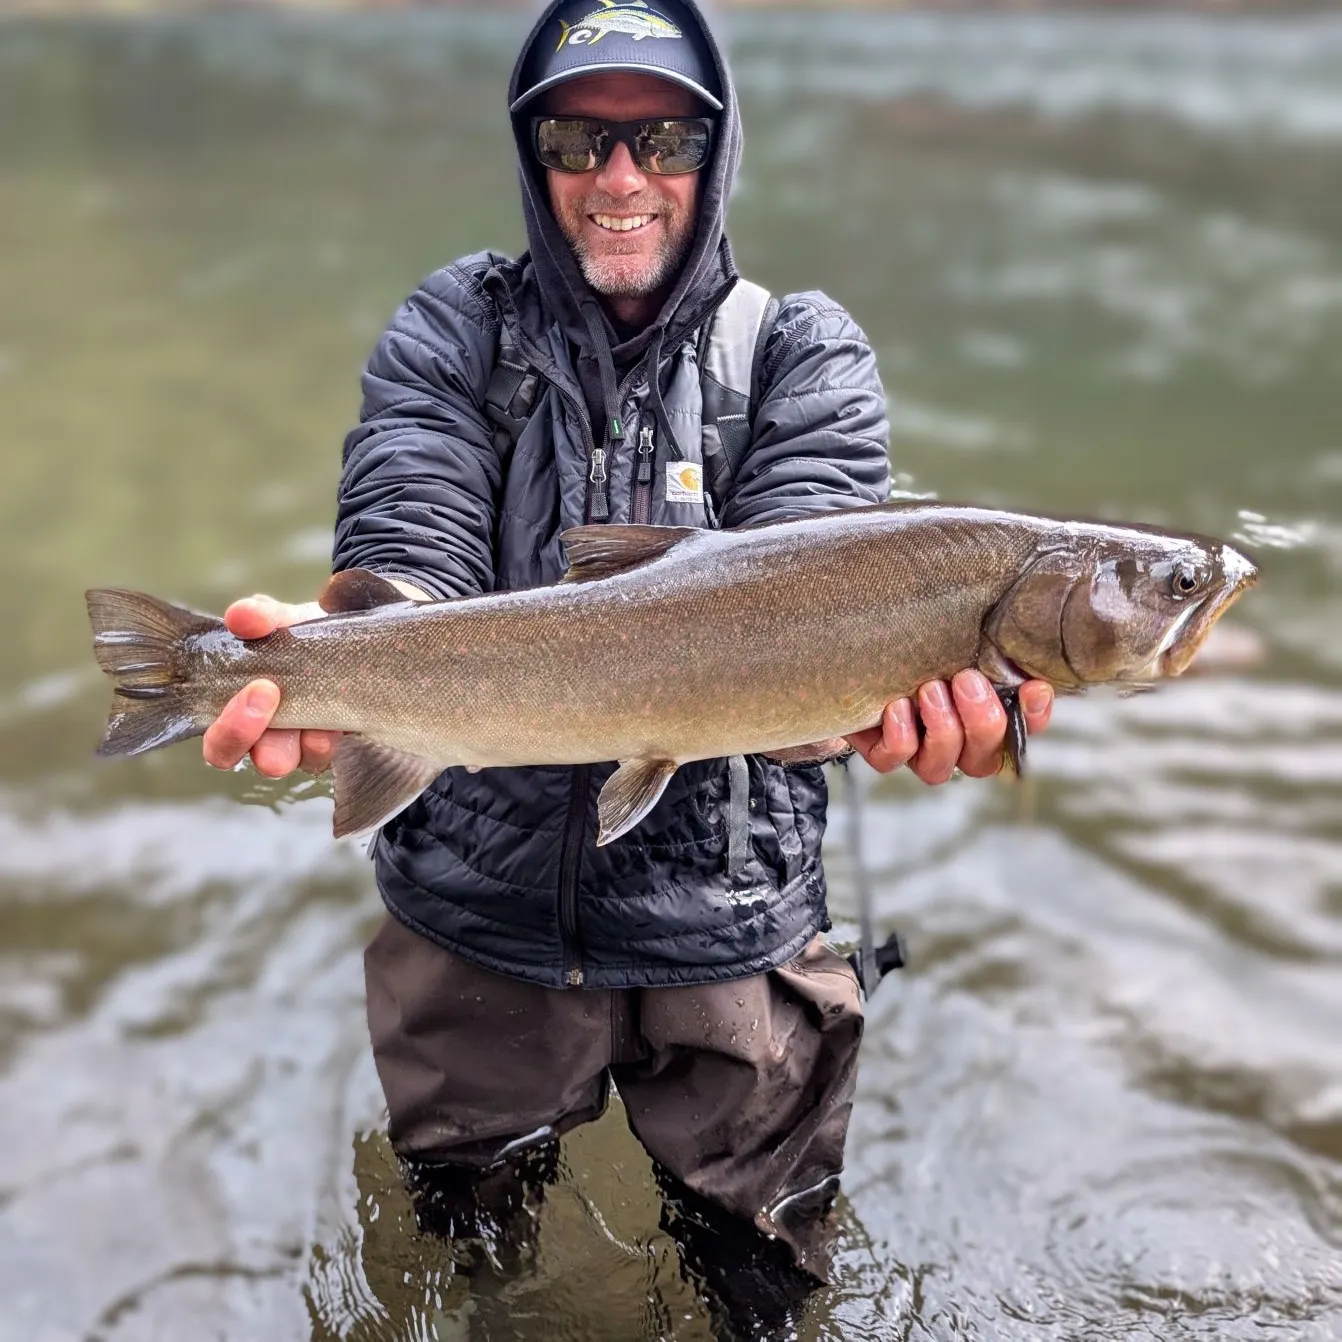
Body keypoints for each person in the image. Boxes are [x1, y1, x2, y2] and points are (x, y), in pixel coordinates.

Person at [202, 0, 1053, 1325]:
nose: (618, 180)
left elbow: (813, 613)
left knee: (760, 1279)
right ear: (532, 158)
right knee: (466, 1261)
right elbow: (409, 534)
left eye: (659, 138)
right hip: (474, 916)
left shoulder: (799, 352)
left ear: (715, 152)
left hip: (728, 921)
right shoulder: (451, 328)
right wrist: (340, 665)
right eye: (574, 140)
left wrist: (878, 713)